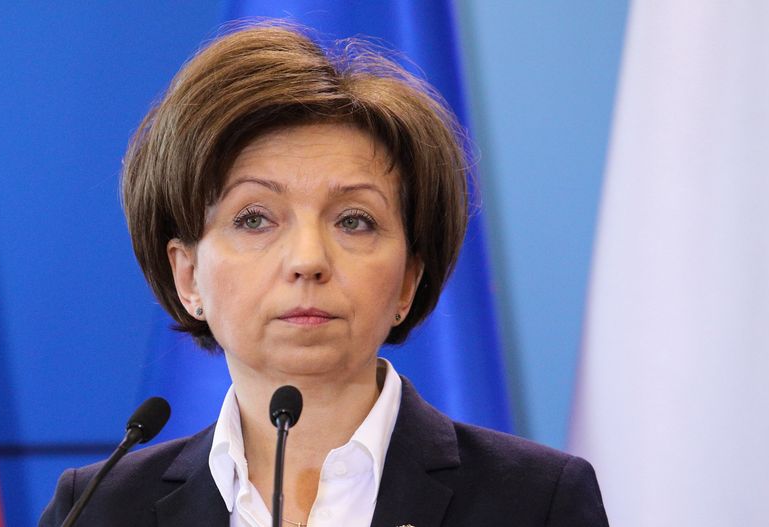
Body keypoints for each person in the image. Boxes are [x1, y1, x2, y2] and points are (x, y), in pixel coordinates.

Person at [40, 22, 609, 527]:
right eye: (255, 218)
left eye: (354, 221)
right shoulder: (97, 509)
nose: (308, 260)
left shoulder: (535, 502)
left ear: (408, 281)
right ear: (188, 277)